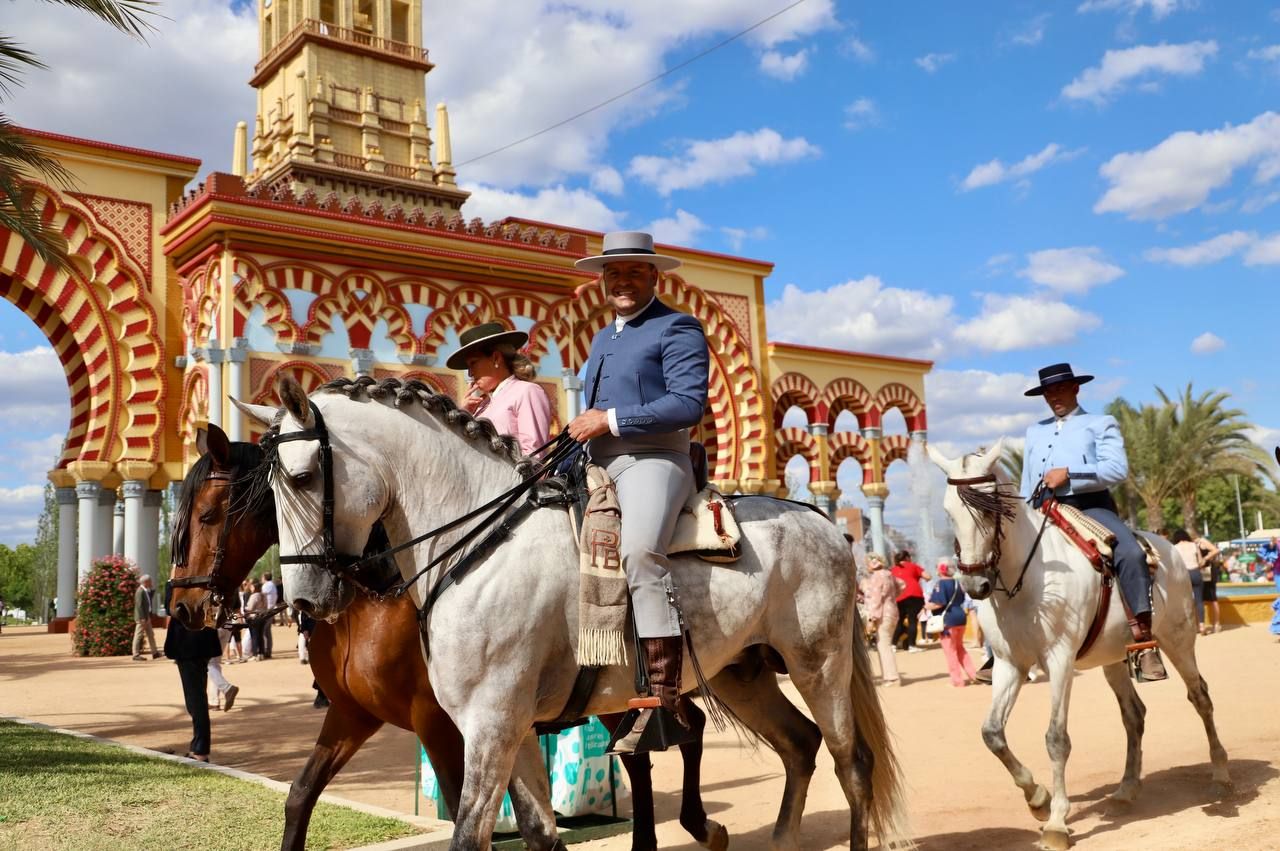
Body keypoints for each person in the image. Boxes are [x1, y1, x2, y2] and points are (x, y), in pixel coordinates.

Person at [568, 231, 709, 743]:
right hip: (596, 462)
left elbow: (687, 403)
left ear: (654, 275)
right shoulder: (605, 337)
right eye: (613, 273)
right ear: (603, 280)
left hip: (654, 458)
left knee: (641, 552)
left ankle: (663, 695)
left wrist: (609, 420)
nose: (622, 281)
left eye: (633, 272)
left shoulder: (678, 327)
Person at [1020, 363, 1166, 681]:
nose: (1053, 396)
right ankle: (1003, 648)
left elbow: (1116, 470)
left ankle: (1144, 642)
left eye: (1059, 388)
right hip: (1043, 510)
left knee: (1129, 552)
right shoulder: (1035, 431)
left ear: (1075, 388)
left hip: (1088, 508)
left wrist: (1069, 473)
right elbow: (1026, 481)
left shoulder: (1100, 423)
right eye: (1047, 391)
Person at [447, 322, 553, 457]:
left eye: (473, 363)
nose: (470, 374)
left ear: (496, 358)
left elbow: (534, 456)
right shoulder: (481, 408)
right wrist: (464, 415)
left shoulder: (527, 392)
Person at [163, 580, 222, 762]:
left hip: (187, 646)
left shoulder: (176, 584)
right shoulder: (209, 583)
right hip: (204, 644)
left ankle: (200, 750)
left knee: (195, 700)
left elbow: (169, 609)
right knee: (197, 698)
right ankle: (199, 746)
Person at [928, 561, 978, 687]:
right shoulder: (957, 583)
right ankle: (974, 675)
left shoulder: (940, 584)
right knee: (960, 648)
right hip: (960, 617)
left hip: (948, 620)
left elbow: (938, 603)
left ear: (941, 570)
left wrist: (926, 606)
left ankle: (957, 680)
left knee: (950, 651)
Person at [861, 554, 901, 686]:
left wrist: (872, 617)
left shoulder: (877, 577)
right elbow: (902, 585)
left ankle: (892, 678)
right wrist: (891, 599)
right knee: (886, 644)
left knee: (883, 645)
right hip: (892, 612)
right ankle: (891, 676)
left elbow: (876, 599)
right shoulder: (889, 574)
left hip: (882, 614)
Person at [891, 550, 930, 652]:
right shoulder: (913, 566)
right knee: (913, 620)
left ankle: (893, 645)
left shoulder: (893, 569)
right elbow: (928, 577)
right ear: (907, 557)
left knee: (899, 621)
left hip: (899, 596)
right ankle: (912, 645)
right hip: (915, 595)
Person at [1171, 529, 1206, 635]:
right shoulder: (1193, 545)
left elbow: (1174, 564)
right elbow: (1200, 561)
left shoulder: (1175, 548)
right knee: (1199, 600)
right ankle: (1202, 625)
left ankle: (1190, 626)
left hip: (1184, 575)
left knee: (1185, 601)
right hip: (1195, 572)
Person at [206, 626, 240, 711]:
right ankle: (214, 702)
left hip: (212, 627)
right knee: (214, 663)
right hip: (227, 626)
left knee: (209, 663)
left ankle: (227, 688)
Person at [1195, 534, 1222, 633]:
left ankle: (1217, 623)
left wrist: (1205, 559)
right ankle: (1200, 624)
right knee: (1198, 599)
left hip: (1208, 571)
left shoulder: (1202, 541)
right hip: (1198, 572)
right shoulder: (1190, 544)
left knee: (1212, 598)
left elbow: (1216, 550)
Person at [132, 575, 161, 661]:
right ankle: (135, 654)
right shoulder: (140, 591)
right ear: (146, 582)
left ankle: (155, 653)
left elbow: (148, 600)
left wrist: (147, 617)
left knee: (151, 635)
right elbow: (139, 606)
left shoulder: (145, 591)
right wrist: (142, 618)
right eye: (150, 581)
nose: (151, 583)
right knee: (138, 635)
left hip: (147, 616)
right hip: (142, 618)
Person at [245, 581, 268, 661]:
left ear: (254, 587)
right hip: (262, 617)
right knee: (260, 636)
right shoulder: (263, 595)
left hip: (254, 618)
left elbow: (250, 608)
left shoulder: (254, 595)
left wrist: (245, 608)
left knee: (254, 636)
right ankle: (261, 653)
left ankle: (255, 654)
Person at [260, 572, 277, 658]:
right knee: (267, 632)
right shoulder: (273, 585)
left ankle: (264, 650)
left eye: (262, 577)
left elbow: (262, 598)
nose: (261, 579)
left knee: (262, 632)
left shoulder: (266, 586)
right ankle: (268, 650)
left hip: (266, 611)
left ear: (265, 578)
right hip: (271, 609)